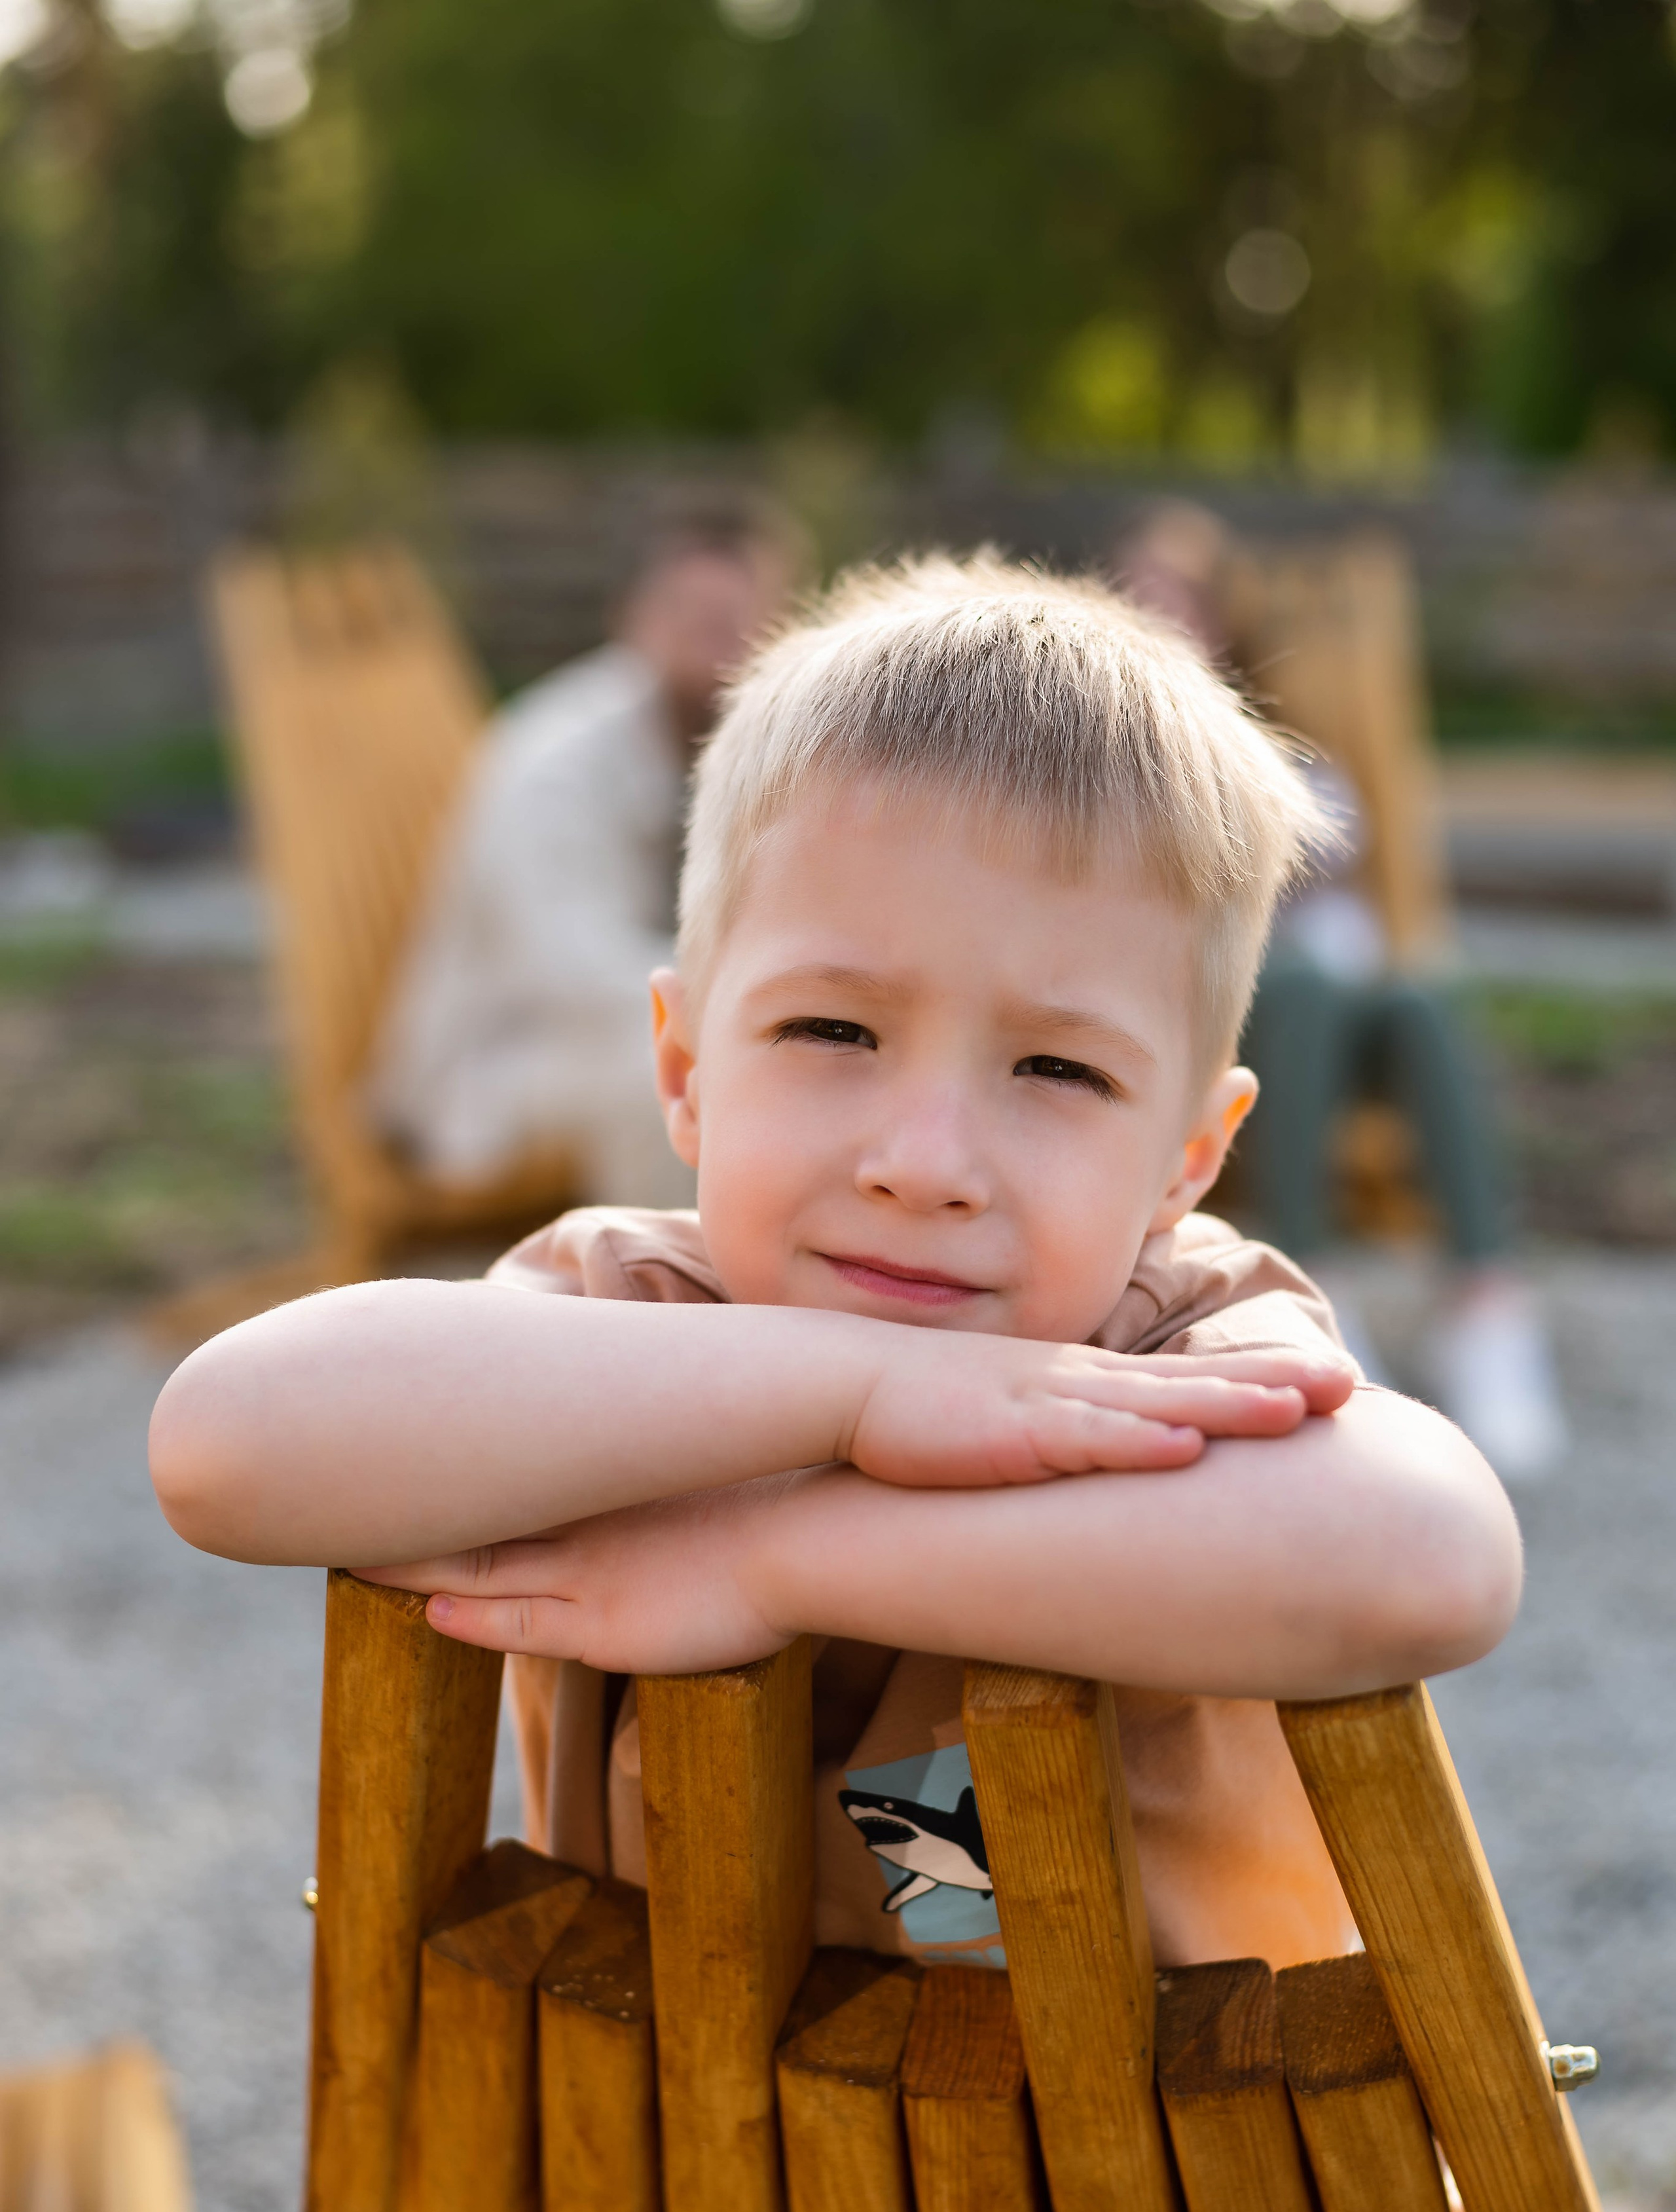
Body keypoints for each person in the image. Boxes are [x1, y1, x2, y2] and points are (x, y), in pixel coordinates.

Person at [149, 555, 1520, 1976]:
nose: (921, 1161)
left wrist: (771, 1558)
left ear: (1185, 1160)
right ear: (683, 1067)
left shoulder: (1167, 1344)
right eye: (832, 1033)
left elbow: (1434, 1560)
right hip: (713, 2168)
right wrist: (859, 1388)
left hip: (1163, 2174)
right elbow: (220, 1443)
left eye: (1054, 1066)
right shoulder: (634, 1311)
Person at [1120, 504, 1568, 1483]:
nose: (1159, 611)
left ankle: (1484, 1301)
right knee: (1311, 978)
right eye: (1139, 590)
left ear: (1218, 616)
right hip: (1201, 1007)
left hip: (1322, 998)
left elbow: (1330, 840)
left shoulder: (1282, 738)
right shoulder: (1113, 744)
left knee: (1423, 997)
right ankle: (1317, 1280)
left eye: (1179, 594)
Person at [369, 502, 794, 1206]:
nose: (720, 646)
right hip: (491, 1068)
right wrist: (751, 999)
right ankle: (662, 1305)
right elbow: (564, 968)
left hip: (617, 1029)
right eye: (696, 619)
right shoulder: (552, 760)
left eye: (743, 622)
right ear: (637, 617)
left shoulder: (745, 748)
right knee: (674, 1074)